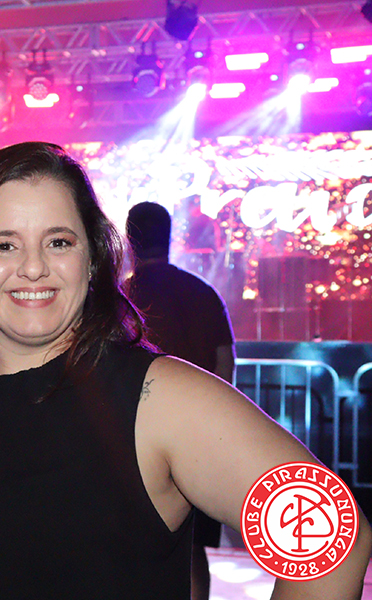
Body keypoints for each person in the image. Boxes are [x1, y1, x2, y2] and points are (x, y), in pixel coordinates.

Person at [0, 142, 371, 599]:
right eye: (4, 245)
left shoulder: (160, 401)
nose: (33, 267)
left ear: (91, 258)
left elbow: (334, 542)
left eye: (58, 242)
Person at [125, 200, 235, 600]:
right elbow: (225, 365)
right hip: (199, 440)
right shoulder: (202, 292)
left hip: (131, 441)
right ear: (171, 236)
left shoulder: (118, 297)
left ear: (129, 240)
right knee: (191, 549)